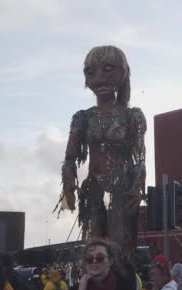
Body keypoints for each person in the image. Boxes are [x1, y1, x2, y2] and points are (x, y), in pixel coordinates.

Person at [58, 45, 147, 255]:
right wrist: (68, 184)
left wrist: (137, 187)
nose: (98, 79)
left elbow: (140, 159)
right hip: (94, 190)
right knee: (94, 248)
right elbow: (70, 157)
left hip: (122, 191)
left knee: (118, 248)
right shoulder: (83, 117)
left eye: (108, 69)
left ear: (122, 73)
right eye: (90, 73)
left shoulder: (131, 116)